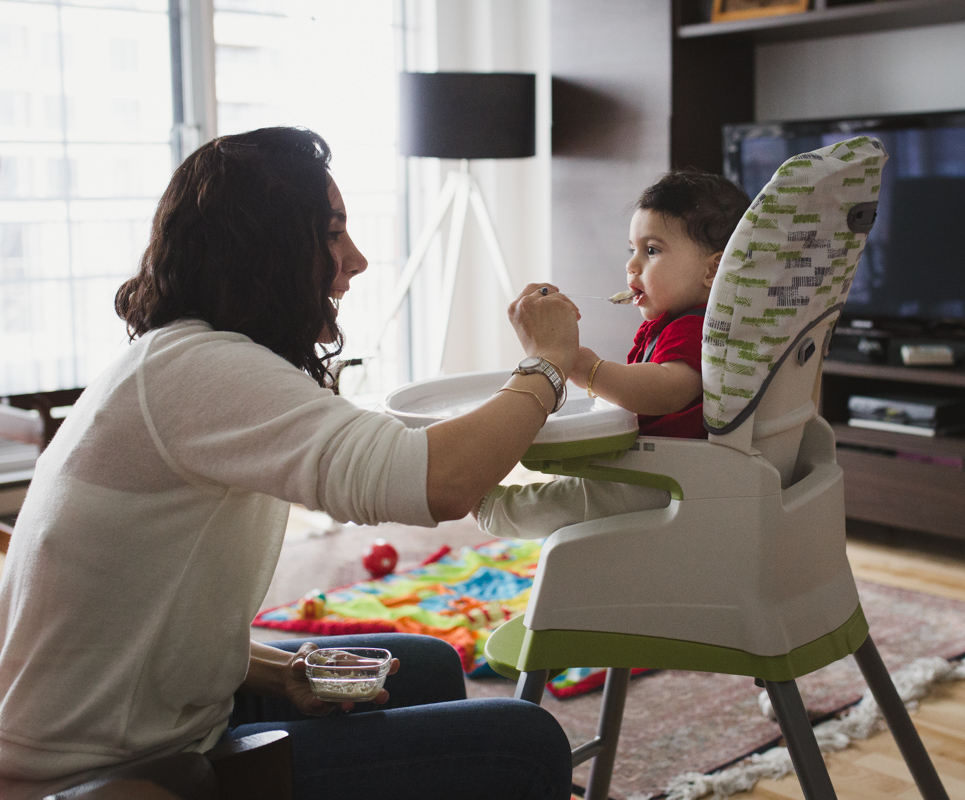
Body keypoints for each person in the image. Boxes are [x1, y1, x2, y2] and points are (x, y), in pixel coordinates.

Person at [0, 127, 578, 800]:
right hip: (98, 770)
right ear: (264, 252)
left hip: (127, 717)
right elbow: (439, 482)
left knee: (425, 666)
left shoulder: (175, 358)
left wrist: (278, 671)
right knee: (525, 743)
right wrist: (547, 365)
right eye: (332, 235)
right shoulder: (199, 370)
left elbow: (132, 611)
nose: (356, 260)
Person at [476, 169, 749, 539]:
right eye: (631, 250)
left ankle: (488, 506)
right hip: (654, 465)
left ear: (712, 270)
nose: (631, 265)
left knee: (562, 502)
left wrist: (584, 366)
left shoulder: (699, 329)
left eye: (651, 251)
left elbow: (670, 388)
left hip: (669, 480)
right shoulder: (665, 325)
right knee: (574, 479)